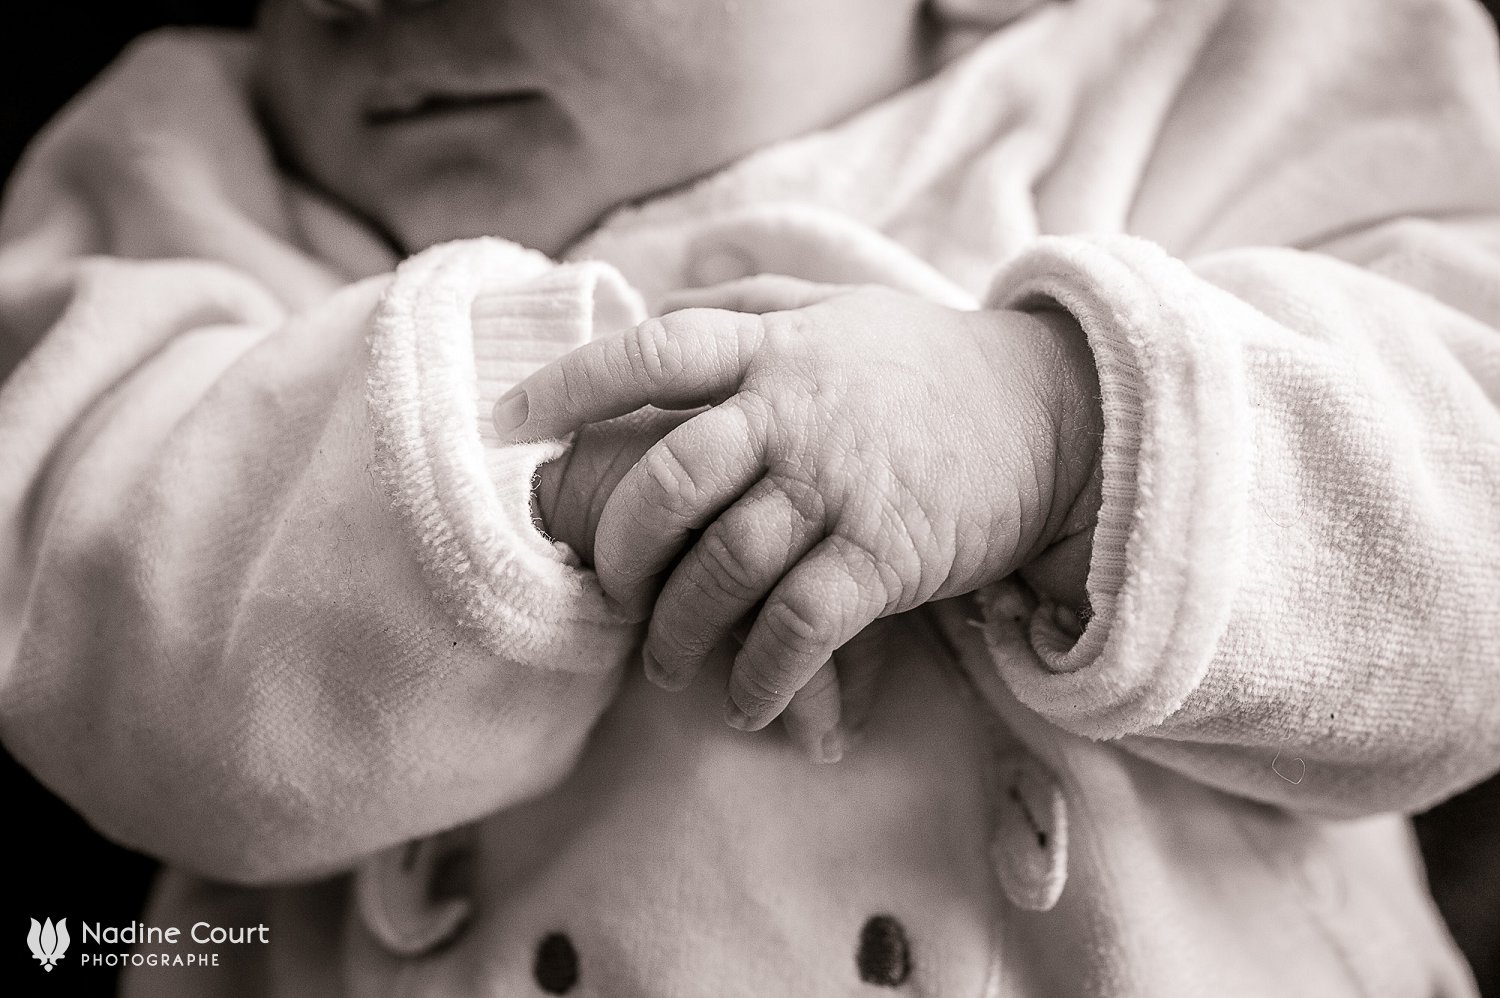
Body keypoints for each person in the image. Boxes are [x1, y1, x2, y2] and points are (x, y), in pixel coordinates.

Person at [0, 0, 1496, 992]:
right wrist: (511, 455)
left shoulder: (1218, 58)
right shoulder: (193, 180)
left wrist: (1059, 431)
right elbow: (68, 590)